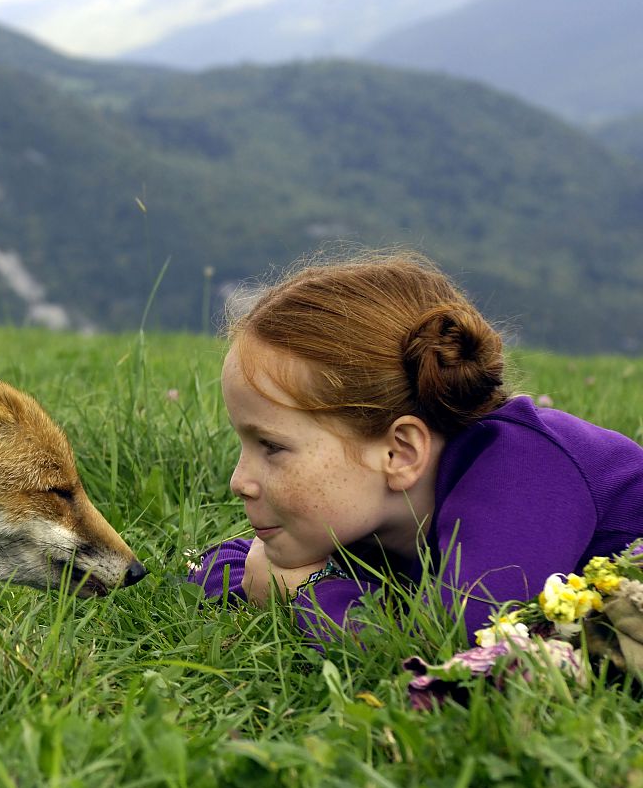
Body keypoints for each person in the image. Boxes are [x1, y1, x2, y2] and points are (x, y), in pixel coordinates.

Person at [188, 250, 643, 642]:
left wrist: (307, 593)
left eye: (271, 446)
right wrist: (277, 577)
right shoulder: (372, 510)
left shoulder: (524, 472)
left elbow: (453, 640)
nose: (239, 481)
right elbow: (221, 564)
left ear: (399, 453)